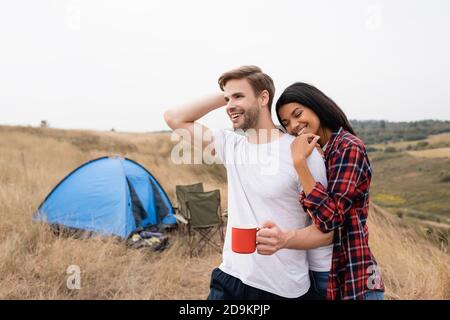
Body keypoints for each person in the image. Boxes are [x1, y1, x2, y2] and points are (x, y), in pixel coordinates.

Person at [164, 66, 333, 300]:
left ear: (263, 98)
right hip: (230, 276)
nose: (230, 106)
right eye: (227, 98)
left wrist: (284, 239)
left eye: (239, 96)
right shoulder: (231, 146)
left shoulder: (302, 153)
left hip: (281, 288)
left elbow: (326, 231)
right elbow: (174, 118)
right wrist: (228, 96)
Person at [256, 82, 385, 300]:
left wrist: (299, 163)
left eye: (298, 114)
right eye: (286, 123)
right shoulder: (317, 152)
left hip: (350, 271)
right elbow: (309, 213)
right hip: (312, 271)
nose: (294, 126)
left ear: (316, 106)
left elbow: (330, 220)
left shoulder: (348, 147)